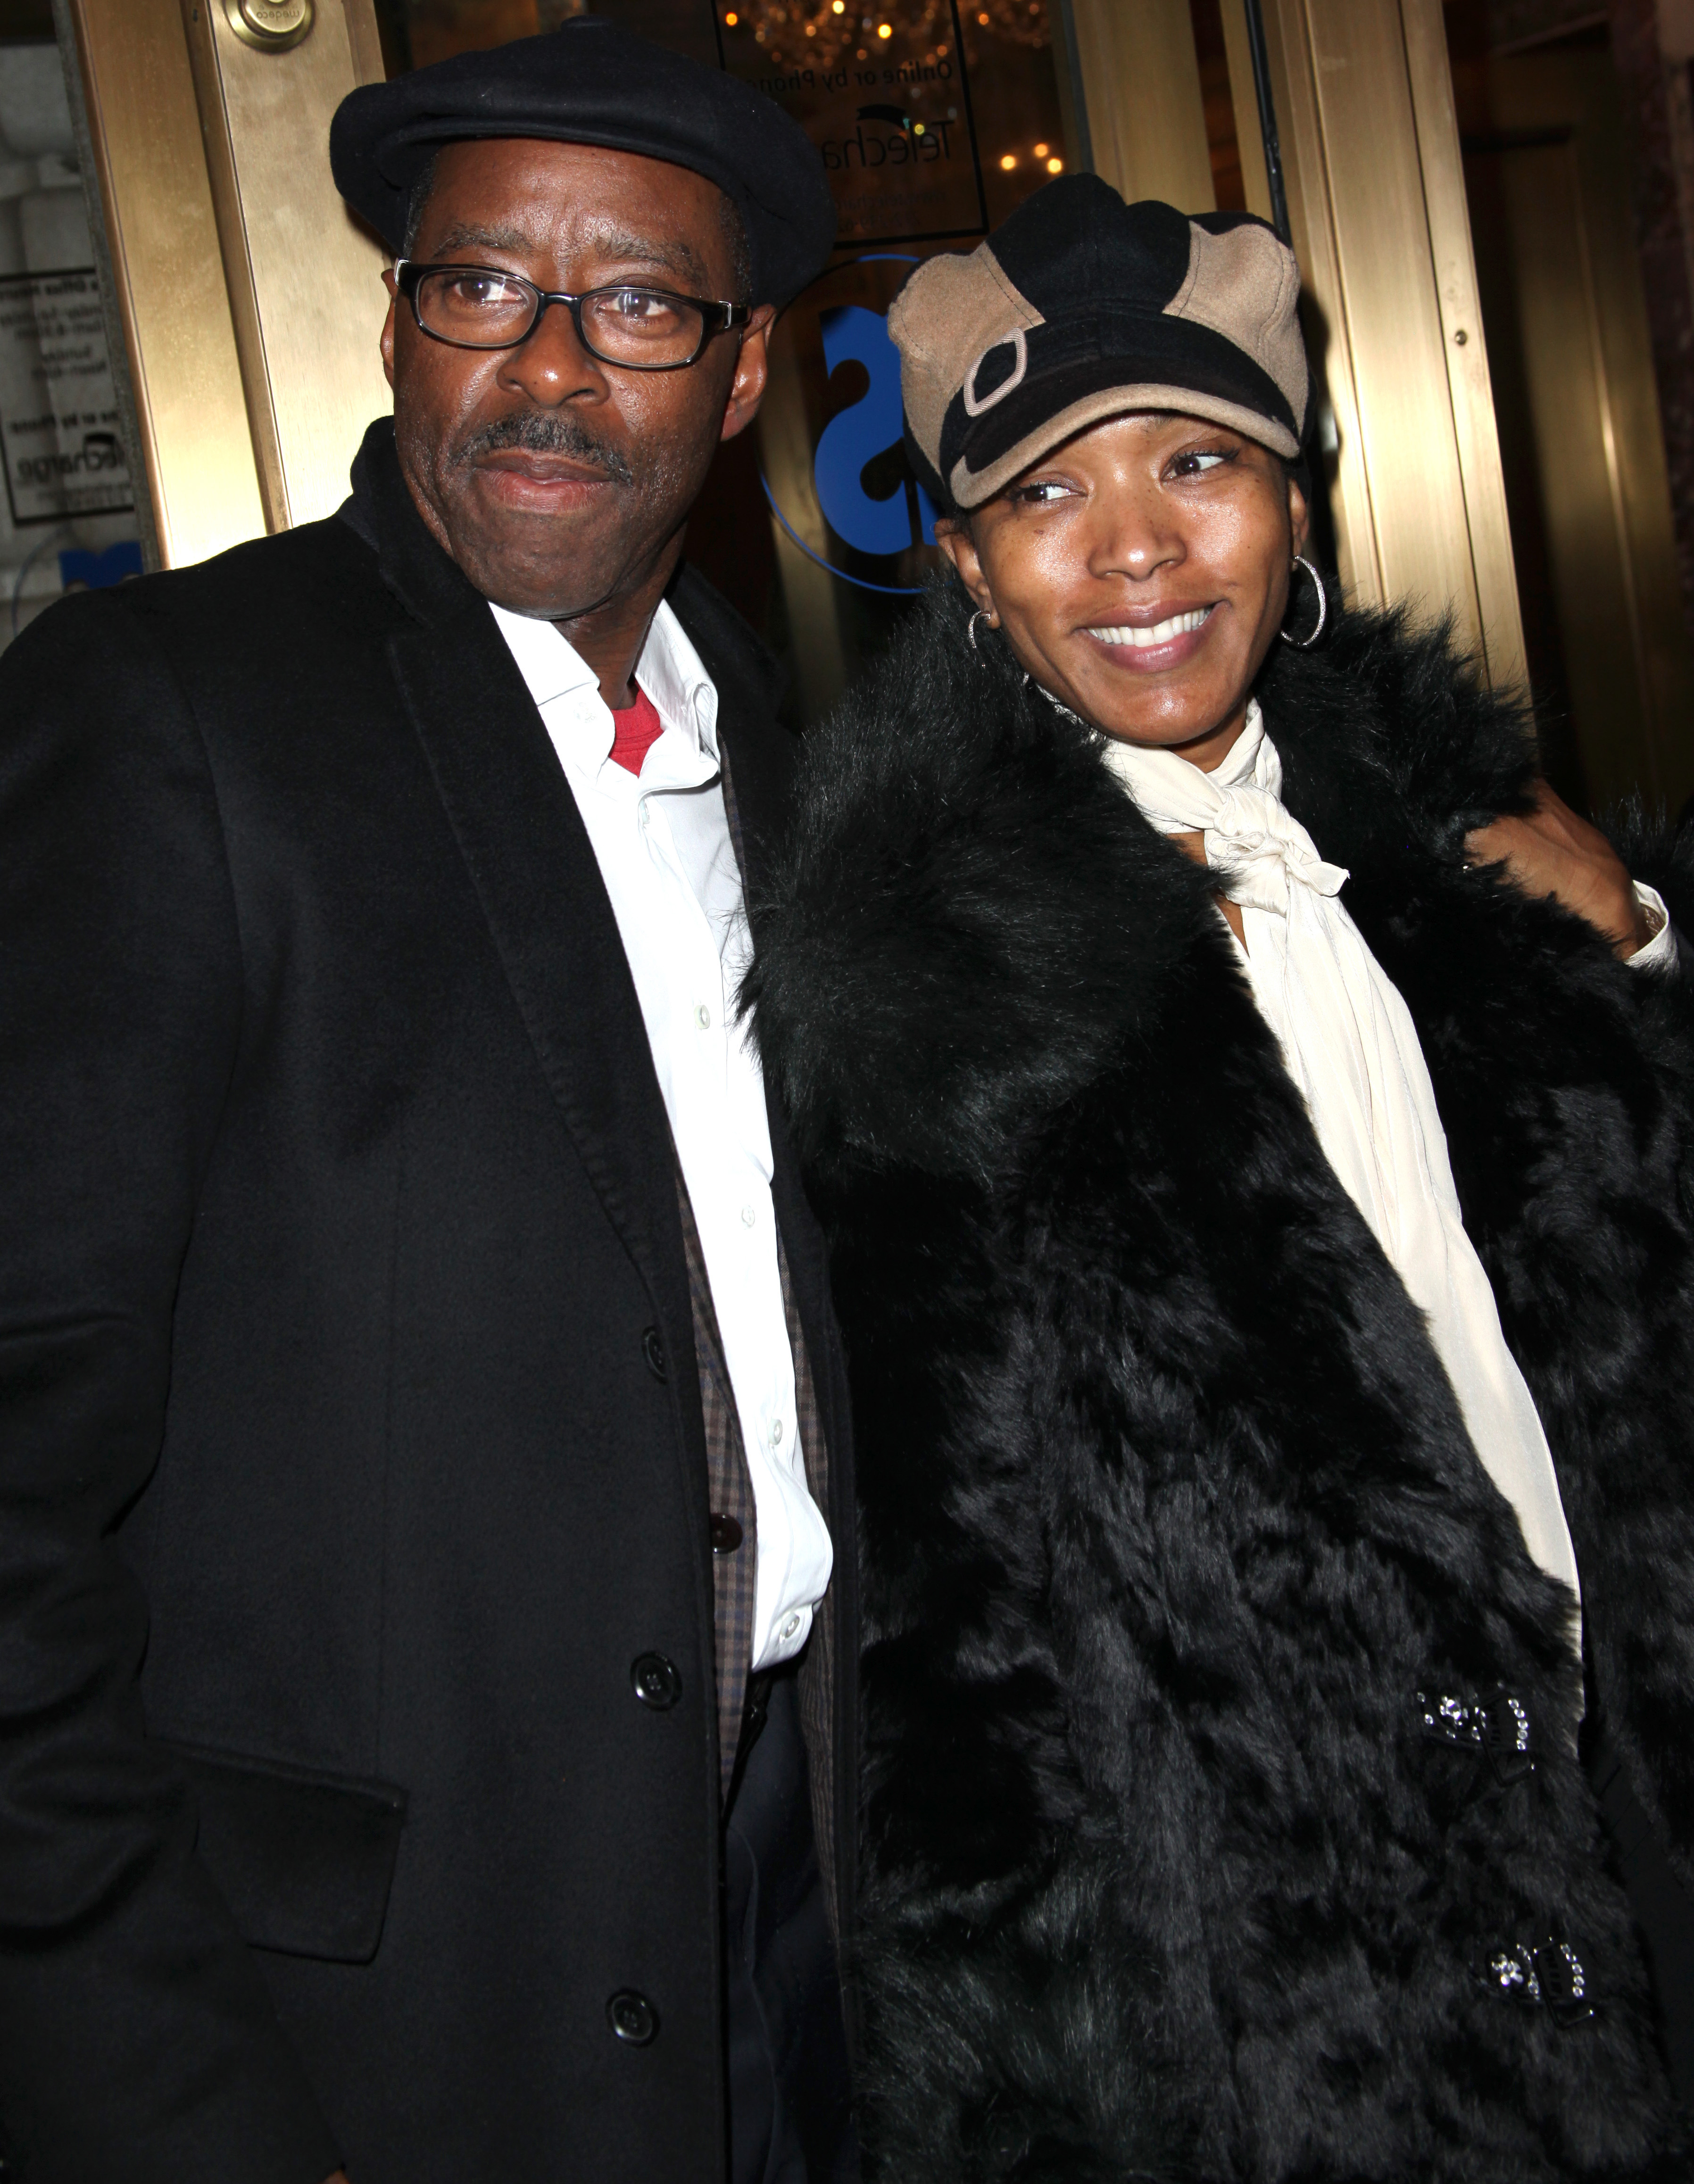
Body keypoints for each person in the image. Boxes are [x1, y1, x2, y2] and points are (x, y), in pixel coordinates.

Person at [745, 174, 1694, 2178]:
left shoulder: (1449, 852)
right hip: (1318, 2026)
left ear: (1295, 504)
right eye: (1046, 495)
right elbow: (960, 1697)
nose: (1140, 549)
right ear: (971, 570)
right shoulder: (926, 1001)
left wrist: (1642, 951)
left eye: (1197, 459)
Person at [0, 22, 860, 2184]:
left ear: (742, 377)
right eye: (482, 286)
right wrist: (174, 2107)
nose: (549, 368)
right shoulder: (170, 719)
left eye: (642, 305)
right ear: (394, 322)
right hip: (375, 2028)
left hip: (799, 1924)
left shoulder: (790, 755)